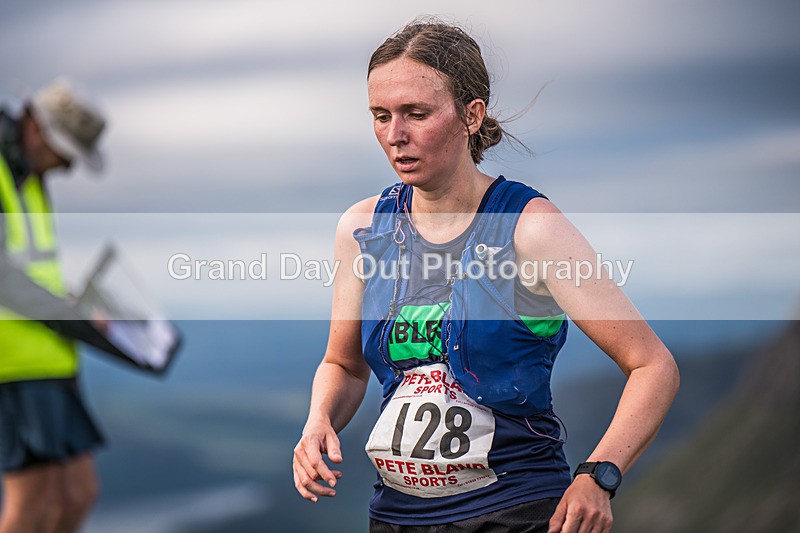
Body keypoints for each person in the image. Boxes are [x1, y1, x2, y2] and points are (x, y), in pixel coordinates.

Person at [292, 21, 680, 533]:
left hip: (514, 513)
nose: (395, 135)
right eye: (381, 116)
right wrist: (318, 419)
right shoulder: (364, 228)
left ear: (471, 114)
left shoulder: (530, 228)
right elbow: (343, 364)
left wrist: (598, 475)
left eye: (417, 113)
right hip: (395, 516)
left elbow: (653, 365)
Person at [0, 78, 108, 533]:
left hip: (50, 360)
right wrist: (76, 319)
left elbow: (32, 270)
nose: (67, 165)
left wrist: (73, 304)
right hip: (13, 366)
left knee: (78, 494)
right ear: (38, 130)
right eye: (66, 152)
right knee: (32, 504)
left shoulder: (31, 178)